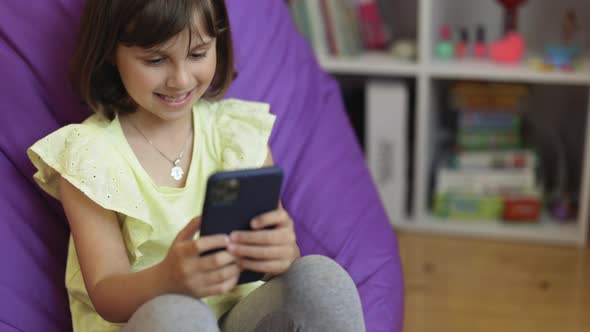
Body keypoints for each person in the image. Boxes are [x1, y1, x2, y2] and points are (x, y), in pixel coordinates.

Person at [26, 0, 366, 331]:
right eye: (156, 59)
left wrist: (282, 254)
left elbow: (278, 258)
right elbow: (105, 293)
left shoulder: (236, 134)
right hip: (153, 322)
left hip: (239, 316)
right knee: (179, 316)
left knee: (320, 278)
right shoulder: (90, 157)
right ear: (111, 53)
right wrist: (168, 279)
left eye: (198, 54)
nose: (181, 79)